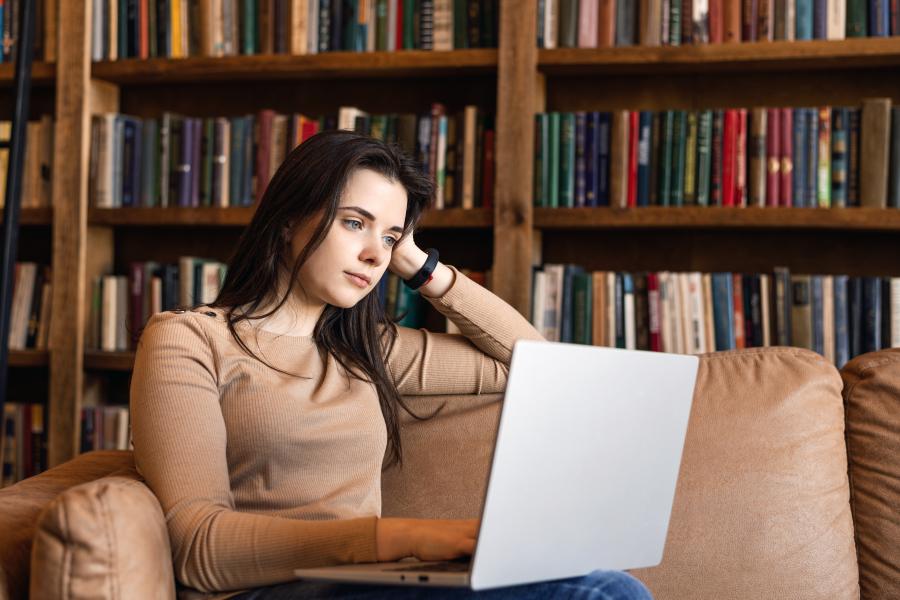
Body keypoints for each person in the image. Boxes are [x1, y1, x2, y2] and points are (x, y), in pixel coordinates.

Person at [130, 130, 653, 600]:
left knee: (613, 587)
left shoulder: (368, 351)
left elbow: (542, 367)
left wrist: (420, 265)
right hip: (267, 591)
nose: (373, 256)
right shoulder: (189, 339)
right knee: (603, 594)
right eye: (354, 223)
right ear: (289, 218)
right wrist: (410, 538)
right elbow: (197, 544)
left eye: (388, 237)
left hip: (370, 581)